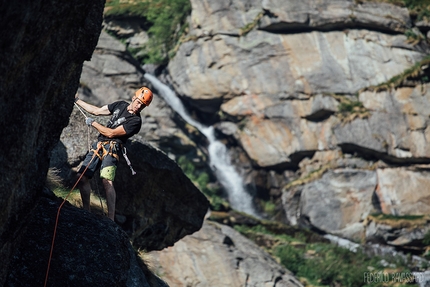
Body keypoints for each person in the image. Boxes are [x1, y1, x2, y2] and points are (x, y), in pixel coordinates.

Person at [74, 87, 153, 221]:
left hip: (113, 148)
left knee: (106, 181)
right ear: (134, 98)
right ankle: (85, 211)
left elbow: (110, 133)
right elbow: (96, 111)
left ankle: (110, 218)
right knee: (81, 177)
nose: (139, 107)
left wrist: (93, 123)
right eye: (139, 102)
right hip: (99, 145)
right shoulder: (120, 105)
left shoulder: (136, 122)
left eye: (143, 105)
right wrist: (76, 100)